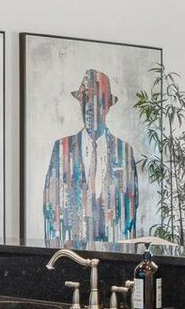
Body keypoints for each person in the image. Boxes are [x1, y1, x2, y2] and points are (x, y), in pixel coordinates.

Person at [42, 68, 141, 246]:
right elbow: (50, 207)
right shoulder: (62, 148)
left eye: (96, 99)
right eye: (84, 98)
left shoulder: (124, 151)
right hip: (70, 256)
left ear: (107, 105)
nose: (89, 106)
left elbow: (131, 211)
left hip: (114, 257)